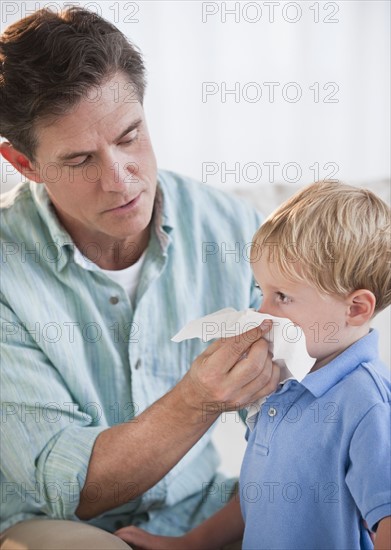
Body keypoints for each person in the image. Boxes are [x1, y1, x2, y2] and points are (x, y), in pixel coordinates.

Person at [0, 6, 281, 549]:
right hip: (60, 528)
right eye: (80, 159)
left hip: (198, 509)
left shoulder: (229, 226)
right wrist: (198, 398)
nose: (119, 179)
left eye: (130, 136)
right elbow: (71, 489)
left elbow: (294, 412)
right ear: (24, 163)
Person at [114, 181, 391, 549]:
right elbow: (259, 492)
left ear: (355, 309)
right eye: (262, 291)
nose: (262, 311)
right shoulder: (283, 383)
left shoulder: (367, 402)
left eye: (283, 296)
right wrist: (191, 543)